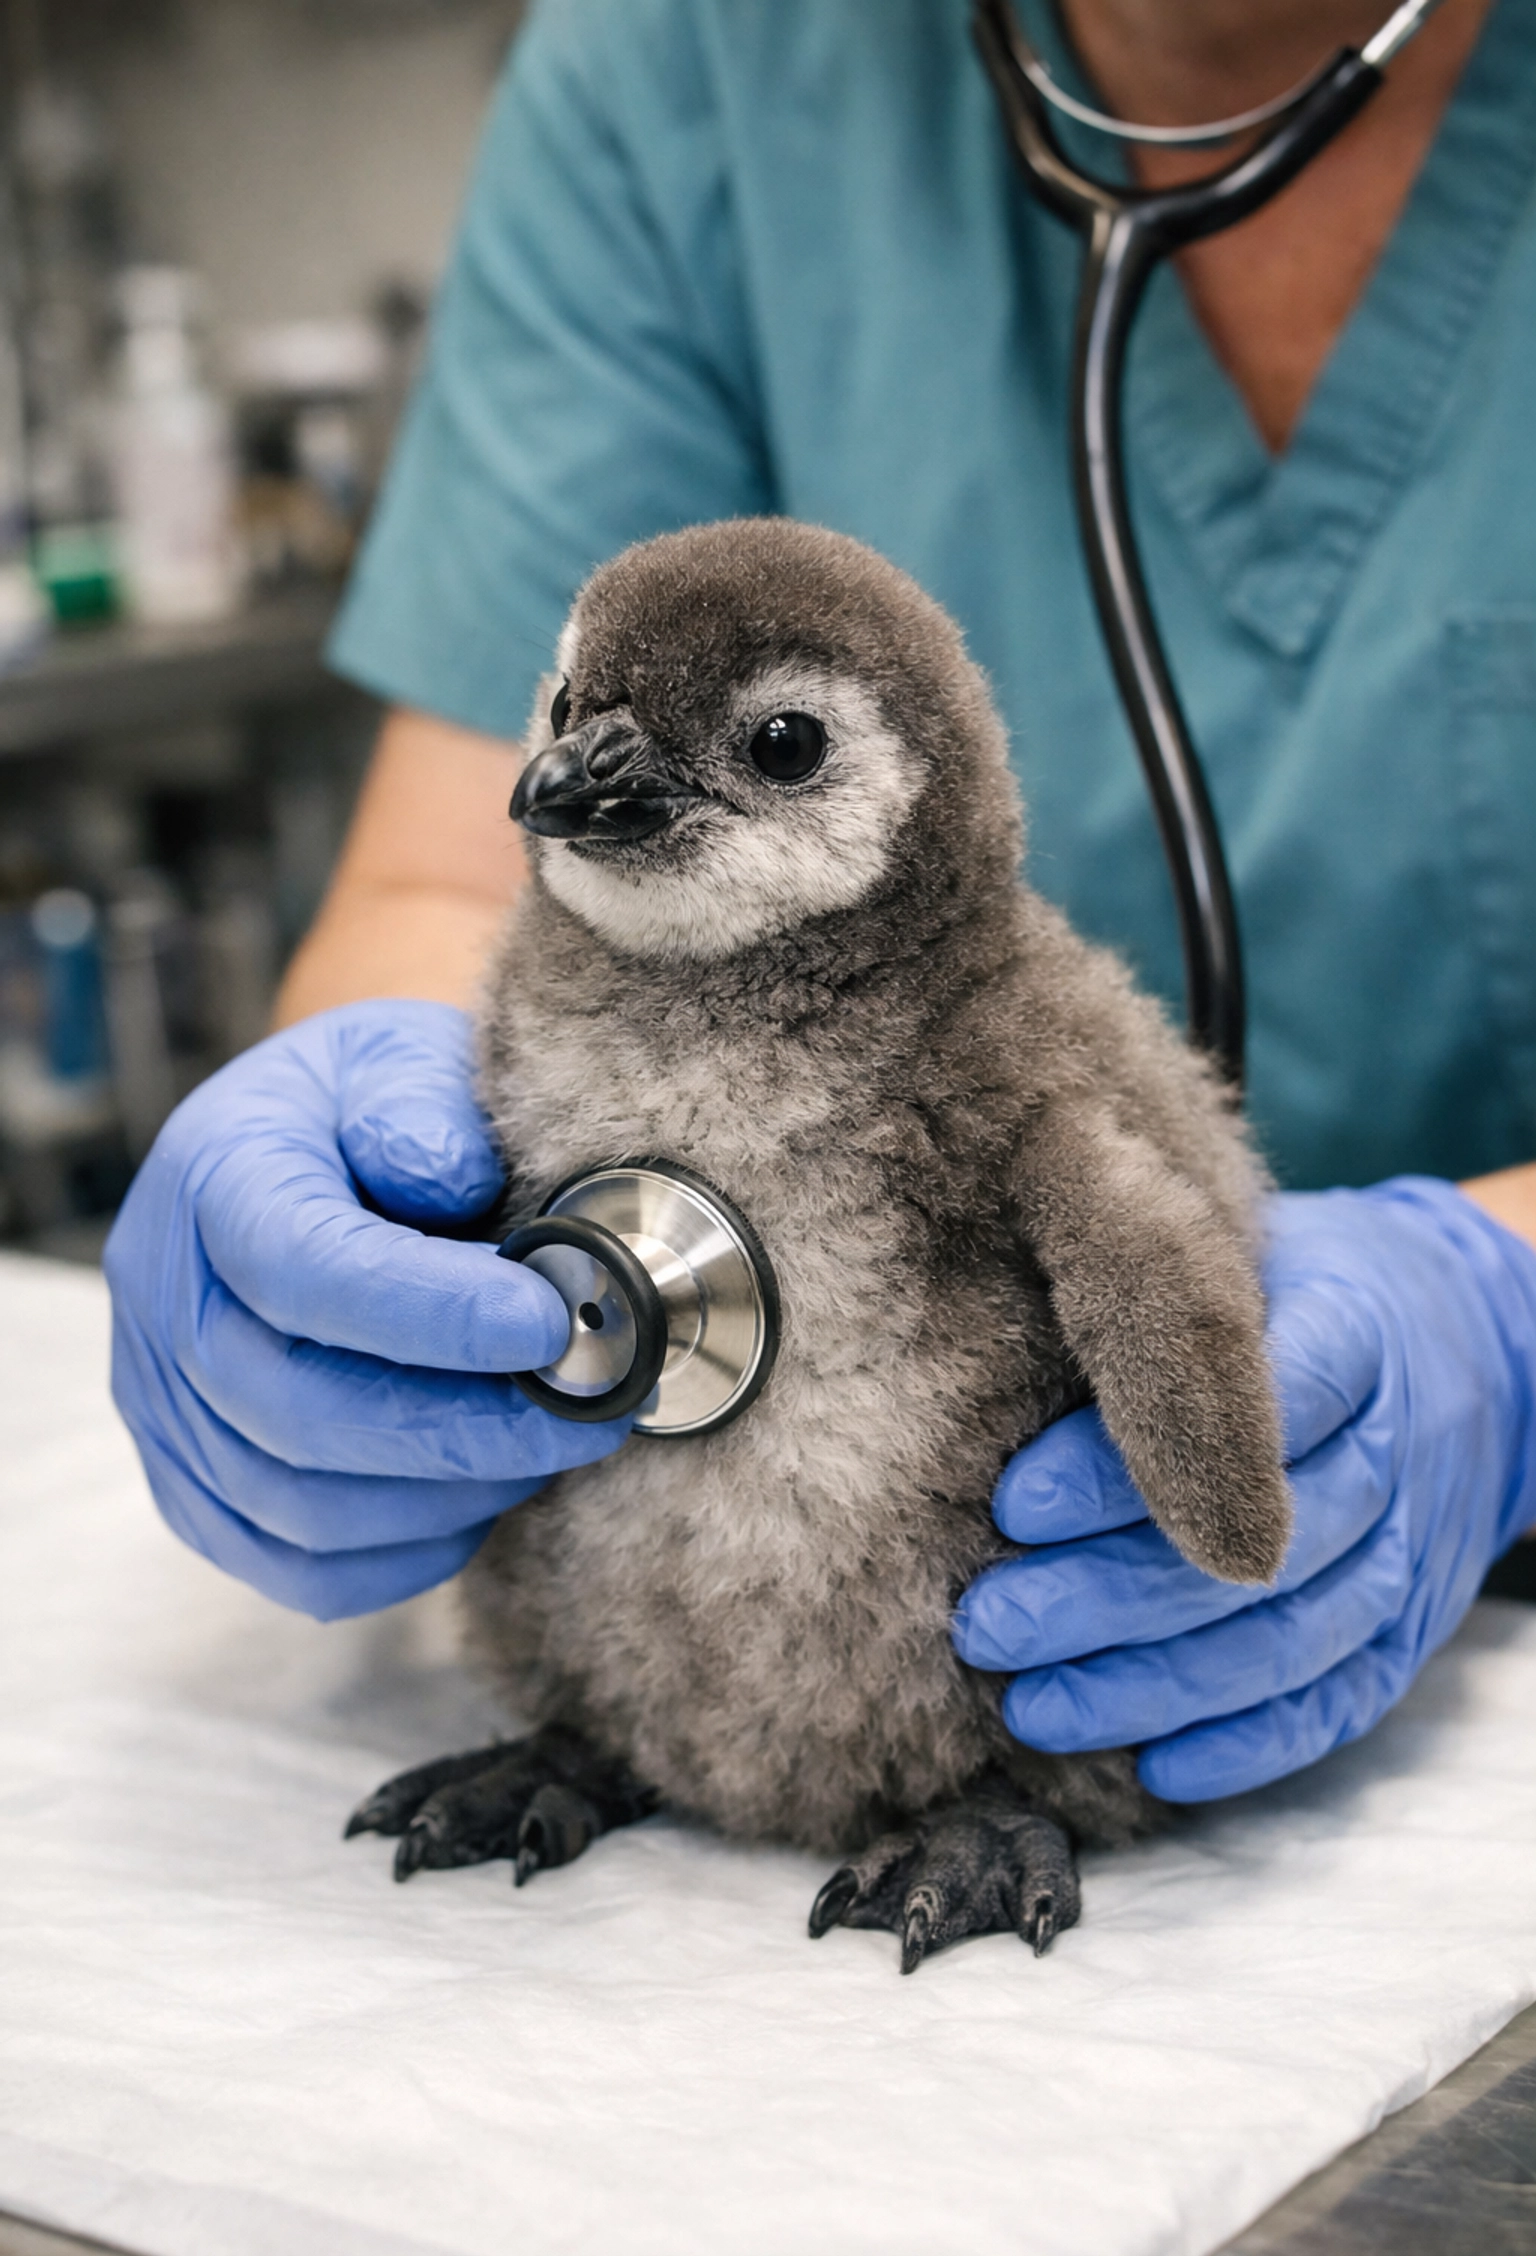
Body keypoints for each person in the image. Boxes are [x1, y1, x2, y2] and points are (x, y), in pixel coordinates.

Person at [106, 0, 1536, 1801]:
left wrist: (1503, 1319)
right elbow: (432, 877)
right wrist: (344, 1231)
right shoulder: (693, 53)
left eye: (781, 747)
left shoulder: (990, 1047)